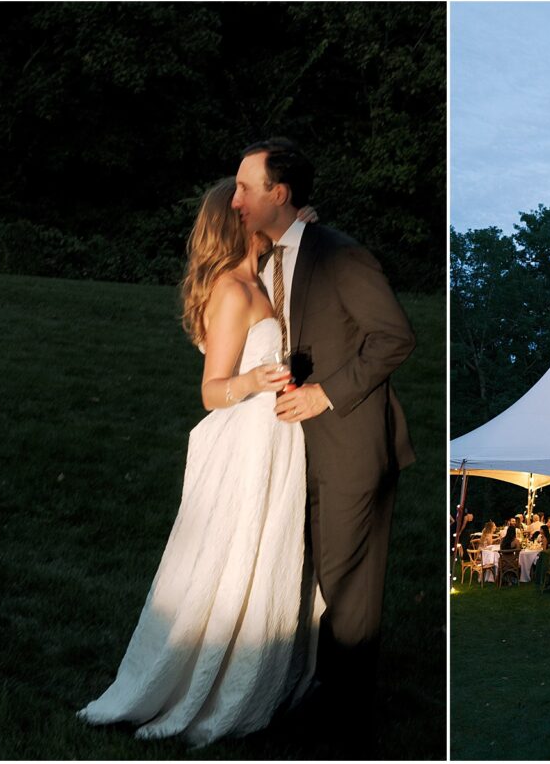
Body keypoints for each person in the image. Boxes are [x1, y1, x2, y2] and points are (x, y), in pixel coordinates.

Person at [77, 179, 323, 746]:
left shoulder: (260, 277)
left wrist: (301, 224)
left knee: (266, 554)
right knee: (230, 558)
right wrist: (254, 380)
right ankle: (203, 683)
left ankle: (259, 672)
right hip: (247, 439)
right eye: (249, 205)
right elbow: (211, 391)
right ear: (236, 221)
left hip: (276, 439)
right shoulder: (233, 290)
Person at [233, 138, 416, 726]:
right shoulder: (273, 258)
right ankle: (318, 689)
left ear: (278, 194)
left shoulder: (340, 254)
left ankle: (343, 718)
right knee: (314, 573)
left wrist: (323, 393)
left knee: (346, 582)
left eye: (244, 188)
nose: (234, 199)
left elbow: (394, 337)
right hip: (296, 448)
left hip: (350, 444)